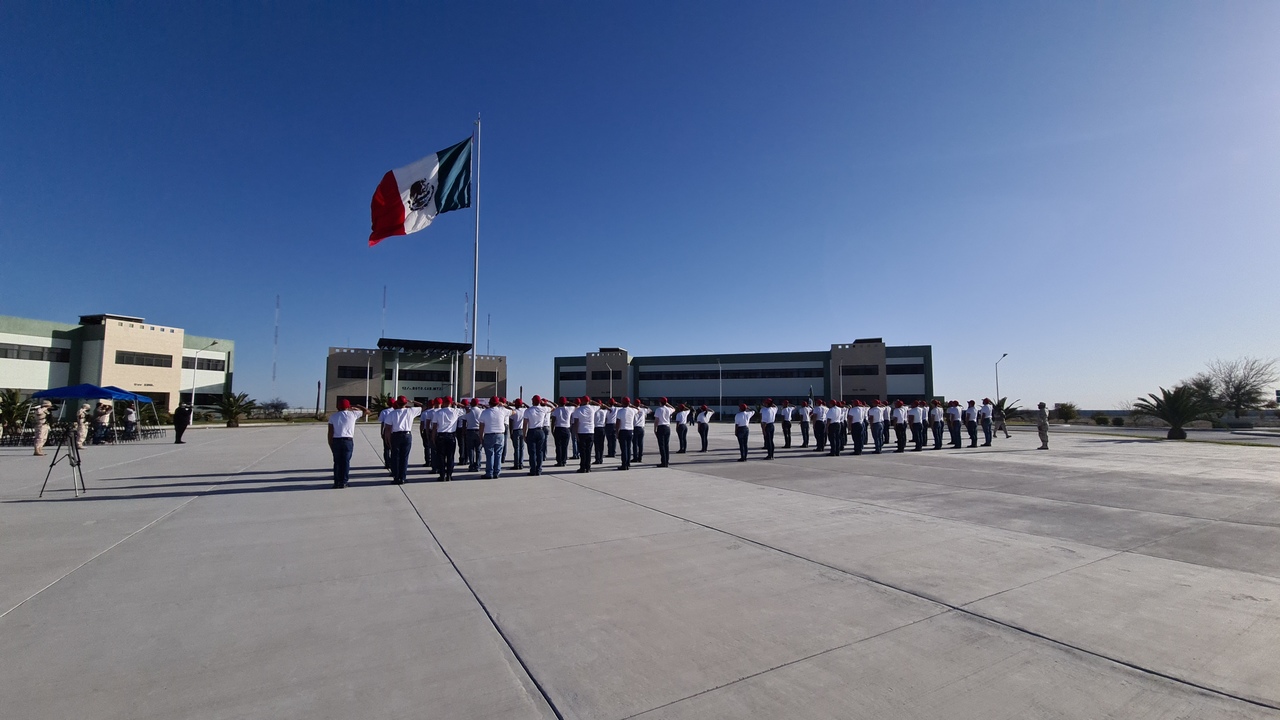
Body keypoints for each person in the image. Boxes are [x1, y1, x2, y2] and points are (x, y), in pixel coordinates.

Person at [327, 400, 368, 488]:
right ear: (348, 406)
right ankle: (344, 481)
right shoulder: (353, 414)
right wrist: (357, 405)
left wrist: (330, 443)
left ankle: (336, 481)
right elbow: (367, 411)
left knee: (337, 462)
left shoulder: (333, 417)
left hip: (336, 440)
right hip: (347, 441)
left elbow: (330, 432)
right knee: (345, 462)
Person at [386, 396, 422, 484]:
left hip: (395, 436)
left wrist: (387, 439)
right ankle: (402, 477)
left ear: (397, 403)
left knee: (395, 457)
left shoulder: (392, 413)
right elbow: (423, 406)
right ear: (406, 403)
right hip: (407, 435)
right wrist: (412, 401)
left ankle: (396, 477)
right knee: (404, 458)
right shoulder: (410, 411)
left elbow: (388, 429)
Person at [433, 397, 464, 481]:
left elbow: (435, 426)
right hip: (451, 436)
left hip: (441, 436)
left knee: (441, 457)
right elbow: (467, 409)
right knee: (450, 457)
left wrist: (433, 437)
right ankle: (449, 475)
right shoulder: (456, 411)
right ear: (451, 402)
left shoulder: (438, 412)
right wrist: (457, 404)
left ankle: (442, 475)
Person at [478, 397, 510, 479]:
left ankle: (489, 473)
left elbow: (481, 426)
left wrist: (480, 436)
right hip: (500, 434)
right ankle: (497, 472)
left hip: (489, 434)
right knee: (498, 454)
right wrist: (504, 405)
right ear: (498, 403)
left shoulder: (484, 412)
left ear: (489, 403)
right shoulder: (502, 410)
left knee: (490, 455)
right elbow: (514, 412)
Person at [522, 395, 553, 476]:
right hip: (540, 431)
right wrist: (545, 403)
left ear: (532, 401)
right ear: (540, 402)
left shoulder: (528, 411)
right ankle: (539, 470)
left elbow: (525, 424)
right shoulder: (544, 409)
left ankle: (533, 470)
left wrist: (524, 434)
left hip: (531, 431)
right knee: (540, 452)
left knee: (532, 453)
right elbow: (554, 407)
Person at [570, 397, 596, 473]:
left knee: (582, 451)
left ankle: (582, 467)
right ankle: (588, 467)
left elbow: (576, 423)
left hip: (582, 432)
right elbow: (600, 405)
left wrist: (576, 433)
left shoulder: (578, 410)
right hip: (590, 431)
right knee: (589, 451)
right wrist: (591, 401)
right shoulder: (593, 408)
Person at [615, 398, 636, 470]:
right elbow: (638, 410)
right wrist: (631, 405)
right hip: (630, 430)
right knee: (628, 448)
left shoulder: (620, 411)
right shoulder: (632, 410)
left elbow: (618, 422)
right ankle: (628, 463)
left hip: (623, 430)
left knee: (624, 449)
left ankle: (624, 464)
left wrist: (617, 432)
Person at [653, 397, 674, 467]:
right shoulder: (669, 409)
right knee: (666, 445)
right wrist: (668, 404)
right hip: (667, 427)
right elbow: (674, 408)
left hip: (661, 427)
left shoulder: (658, 409)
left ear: (660, 402)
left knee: (661, 445)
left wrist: (655, 429)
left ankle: (663, 462)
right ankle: (667, 461)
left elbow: (656, 420)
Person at [551, 397, 573, 467]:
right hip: (566, 429)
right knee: (565, 446)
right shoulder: (569, 409)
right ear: (565, 402)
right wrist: (569, 402)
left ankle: (559, 461)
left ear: (559, 402)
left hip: (558, 428)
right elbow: (577, 406)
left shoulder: (556, 410)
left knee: (558, 446)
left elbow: (553, 421)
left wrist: (552, 430)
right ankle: (564, 461)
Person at [464, 398, 483, 471]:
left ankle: (471, 465)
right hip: (478, 430)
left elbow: (464, 420)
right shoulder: (481, 411)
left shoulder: (468, 411)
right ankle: (478, 465)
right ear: (478, 404)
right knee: (478, 449)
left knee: (470, 449)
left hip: (470, 430)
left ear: (471, 403)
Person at [508, 399, 526, 470]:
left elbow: (511, 424)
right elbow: (529, 407)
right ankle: (521, 463)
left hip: (515, 430)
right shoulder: (524, 411)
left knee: (516, 449)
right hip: (521, 430)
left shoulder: (514, 412)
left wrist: (511, 433)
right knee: (521, 448)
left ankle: (516, 464)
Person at [378, 401, 395, 469]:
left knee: (386, 448)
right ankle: (393, 462)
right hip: (394, 430)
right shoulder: (395, 411)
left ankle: (387, 463)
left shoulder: (384, 412)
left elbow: (382, 423)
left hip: (386, 430)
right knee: (393, 448)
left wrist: (382, 432)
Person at [593, 400, 607, 465]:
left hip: (596, 428)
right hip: (602, 428)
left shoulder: (594, 411)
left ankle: (597, 458)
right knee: (601, 445)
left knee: (596, 445)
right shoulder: (604, 411)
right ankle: (601, 458)